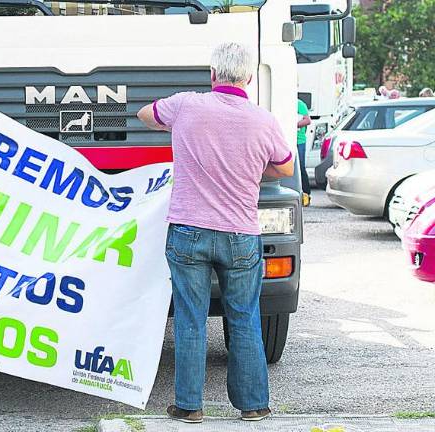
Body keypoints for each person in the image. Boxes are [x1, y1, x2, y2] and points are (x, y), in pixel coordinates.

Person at [137, 42, 294, 424]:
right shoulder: (263, 119)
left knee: (190, 318)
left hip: (189, 230)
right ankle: (253, 405)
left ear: (212, 75)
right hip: (240, 233)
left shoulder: (186, 105)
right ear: (250, 79)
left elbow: (144, 114)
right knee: (243, 317)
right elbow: (285, 168)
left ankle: (189, 406)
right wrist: (254, 169)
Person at [297, 97, 312, 206]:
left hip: (299, 140)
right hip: (287, 139)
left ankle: (306, 193)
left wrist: (295, 124)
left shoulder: (299, 104)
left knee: (301, 167)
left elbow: (307, 120)